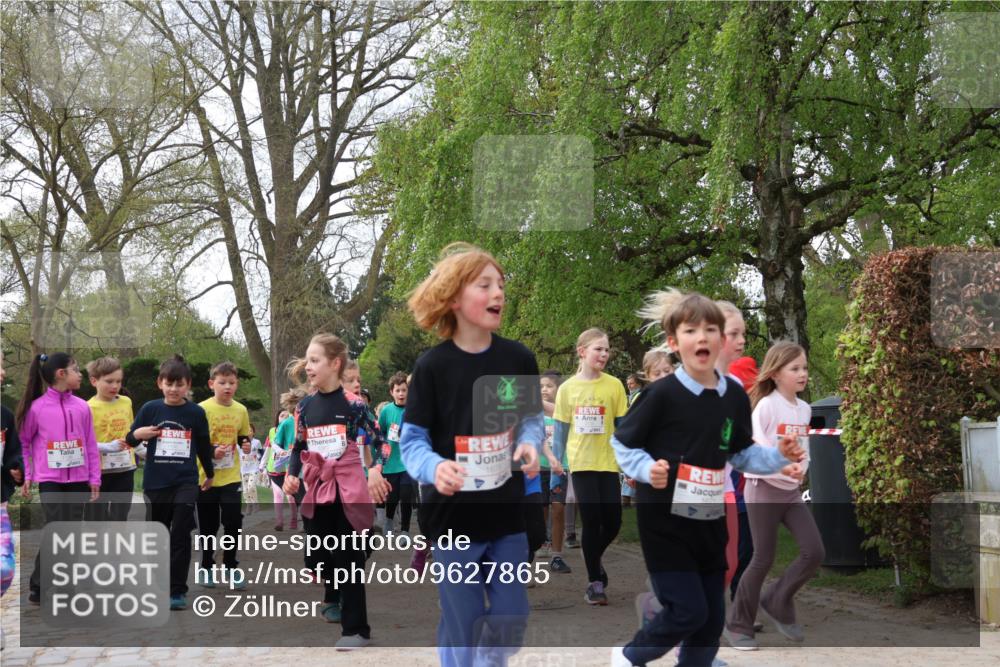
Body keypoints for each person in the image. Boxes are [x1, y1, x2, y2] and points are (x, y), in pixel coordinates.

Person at [609, 289, 805, 667]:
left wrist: (778, 457)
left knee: (711, 621)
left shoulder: (732, 394)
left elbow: (740, 453)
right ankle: (629, 657)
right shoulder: (661, 395)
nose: (702, 337)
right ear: (673, 342)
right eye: (691, 330)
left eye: (710, 329)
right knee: (687, 611)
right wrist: (645, 469)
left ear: (721, 340)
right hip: (664, 521)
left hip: (709, 519)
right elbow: (623, 444)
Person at [400, 242, 543, 667]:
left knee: (512, 618)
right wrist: (434, 466)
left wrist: (531, 441)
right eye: (485, 285)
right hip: (452, 519)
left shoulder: (518, 358)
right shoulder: (431, 367)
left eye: (501, 284)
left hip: (507, 513)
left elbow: (532, 419)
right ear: (454, 298)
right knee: (462, 622)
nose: (498, 292)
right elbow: (412, 444)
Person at [283, 333, 389, 650]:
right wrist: (291, 476)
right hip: (317, 486)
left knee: (350, 559)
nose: (308, 367)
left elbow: (382, 443)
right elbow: (298, 446)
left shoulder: (354, 405)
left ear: (335, 364)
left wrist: (375, 469)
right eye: (308, 360)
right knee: (316, 557)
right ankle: (342, 574)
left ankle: (356, 630)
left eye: (314, 361)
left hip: (349, 487)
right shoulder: (305, 407)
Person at [725, 341, 823, 650]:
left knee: (814, 551)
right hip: (762, 489)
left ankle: (777, 598)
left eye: (804, 368)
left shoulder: (804, 409)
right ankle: (739, 624)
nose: (802, 374)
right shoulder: (767, 405)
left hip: (791, 493)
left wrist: (801, 469)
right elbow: (760, 448)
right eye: (795, 369)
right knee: (762, 558)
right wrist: (784, 469)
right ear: (776, 373)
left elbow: (803, 451)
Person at [126, 355, 215, 610]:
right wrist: (136, 434)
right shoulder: (150, 409)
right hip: (156, 484)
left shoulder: (196, 413)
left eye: (180, 385)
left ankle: (177, 590)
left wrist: (209, 473)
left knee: (180, 534)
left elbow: (203, 445)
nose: (174, 389)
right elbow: (130, 439)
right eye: (169, 384)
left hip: (185, 482)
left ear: (188, 386)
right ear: (160, 383)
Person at [551, 328, 628, 605]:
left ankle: (592, 555)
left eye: (607, 350)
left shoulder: (615, 385)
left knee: (614, 522)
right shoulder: (568, 389)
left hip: (609, 464)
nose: (604, 354)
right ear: (582, 351)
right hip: (581, 464)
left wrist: (629, 462)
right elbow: (559, 433)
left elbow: (623, 428)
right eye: (599, 349)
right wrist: (555, 473)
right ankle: (595, 582)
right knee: (592, 521)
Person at [17, 352, 101, 605]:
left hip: (77, 480)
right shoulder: (37, 408)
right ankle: (47, 585)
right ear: (61, 374)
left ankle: (57, 585)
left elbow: (90, 443)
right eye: (76, 369)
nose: (80, 374)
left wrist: (94, 477)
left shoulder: (82, 406)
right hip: (50, 480)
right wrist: (29, 475)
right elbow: (24, 443)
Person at [195, 361, 252, 588]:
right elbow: (195, 441)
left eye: (231, 383)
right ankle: (206, 567)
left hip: (231, 476)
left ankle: (230, 566)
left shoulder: (240, 410)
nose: (227, 387)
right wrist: (211, 451)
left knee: (233, 521)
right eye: (222, 382)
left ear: (236, 385)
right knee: (208, 526)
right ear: (212, 384)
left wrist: (245, 444)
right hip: (206, 476)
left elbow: (242, 436)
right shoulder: (201, 409)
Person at [85, 357, 136, 522]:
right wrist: (107, 446)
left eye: (119, 381)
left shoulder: (126, 402)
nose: (115, 386)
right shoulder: (87, 408)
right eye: (109, 381)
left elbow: (131, 431)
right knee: (96, 519)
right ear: (94, 381)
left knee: (119, 518)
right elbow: (84, 443)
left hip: (125, 469)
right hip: (99, 473)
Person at [1, 351, 24, 645]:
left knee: (4, 570)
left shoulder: (4, 415)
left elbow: (13, 452)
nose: (3, 372)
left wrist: (16, 468)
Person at [542, 370, 572, 574]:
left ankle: (557, 555)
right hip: (538, 466)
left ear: (558, 389)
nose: (544, 390)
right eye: (541, 387)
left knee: (558, 508)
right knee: (540, 508)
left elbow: (557, 413)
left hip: (561, 467)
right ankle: (542, 540)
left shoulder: (563, 411)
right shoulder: (532, 413)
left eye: (549, 386)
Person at [377, 372, 413, 537]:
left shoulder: (414, 408)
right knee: (392, 496)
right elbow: (380, 433)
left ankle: (405, 529)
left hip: (409, 462)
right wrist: (387, 440)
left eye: (404, 390)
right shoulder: (386, 411)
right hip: (391, 461)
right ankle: (389, 520)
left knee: (406, 496)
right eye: (398, 390)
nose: (401, 394)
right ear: (392, 392)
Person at [241, 424, 262, 515]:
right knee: (245, 490)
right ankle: (248, 505)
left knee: (251, 486)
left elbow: (262, 454)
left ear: (253, 432)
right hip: (243, 469)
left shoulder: (257, 442)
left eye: (250, 430)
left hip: (254, 468)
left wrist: (261, 465)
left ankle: (255, 504)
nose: (248, 432)